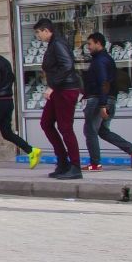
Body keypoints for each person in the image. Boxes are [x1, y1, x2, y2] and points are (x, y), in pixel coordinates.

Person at [0, 41, 40, 170]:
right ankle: (31, 151)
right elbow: (10, 78)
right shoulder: (4, 61)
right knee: (6, 132)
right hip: (8, 101)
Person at [82, 33, 132, 171]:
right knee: (102, 131)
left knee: (90, 131)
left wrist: (102, 105)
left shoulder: (100, 61)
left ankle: (95, 164)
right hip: (107, 99)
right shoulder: (104, 59)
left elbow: (104, 82)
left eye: (90, 44)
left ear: (98, 43)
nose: (88, 47)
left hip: (99, 100)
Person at [36, 18, 82, 180]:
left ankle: (75, 166)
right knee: (46, 123)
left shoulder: (57, 43)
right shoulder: (54, 44)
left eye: (38, 32)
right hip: (59, 89)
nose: (38, 36)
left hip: (65, 90)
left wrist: (52, 85)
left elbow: (67, 65)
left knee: (65, 127)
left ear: (46, 30)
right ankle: (63, 161)